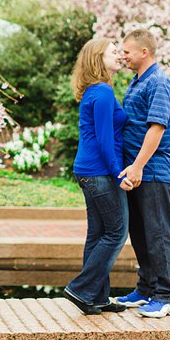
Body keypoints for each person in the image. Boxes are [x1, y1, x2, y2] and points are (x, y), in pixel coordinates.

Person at [113, 29, 170, 318]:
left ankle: (168, 297)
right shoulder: (137, 82)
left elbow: (157, 128)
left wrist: (138, 166)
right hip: (138, 172)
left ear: (145, 52)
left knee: (158, 233)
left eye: (127, 51)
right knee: (140, 232)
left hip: (154, 171)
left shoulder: (159, 83)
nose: (122, 55)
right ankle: (146, 289)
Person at [63, 38, 131, 315]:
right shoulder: (102, 92)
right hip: (101, 172)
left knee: (98, 234)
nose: (119, 55)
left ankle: (96, 298)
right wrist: (118, 173)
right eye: (113, 52)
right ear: (97, 58)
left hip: (90, 171)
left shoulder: (95, 91)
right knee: (116, 232)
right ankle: (81, 289)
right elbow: (104, 140)